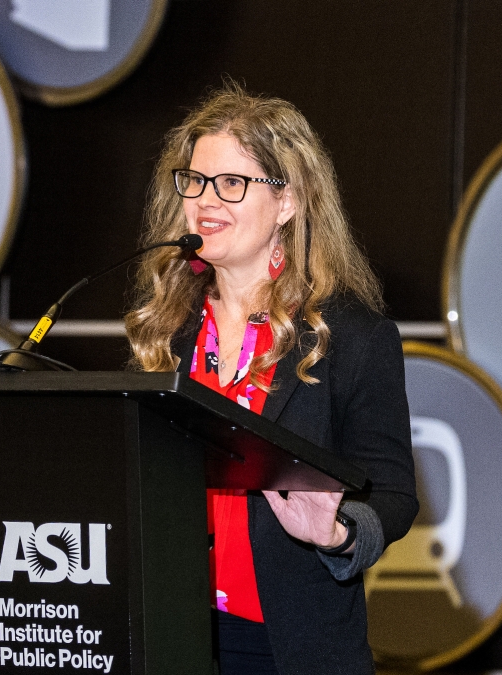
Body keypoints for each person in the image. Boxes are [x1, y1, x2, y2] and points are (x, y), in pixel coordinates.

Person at [124, 83, 418, 675]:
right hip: (167, 633)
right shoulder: (165, 328)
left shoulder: (352, 336)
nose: (206, 200)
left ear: (287, 202)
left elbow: (394, 493)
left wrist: (336, 533)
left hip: (285, 645)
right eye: (195, 181)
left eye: (232, 183)